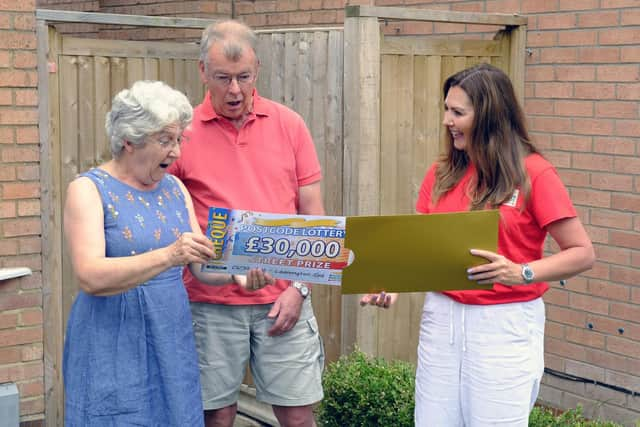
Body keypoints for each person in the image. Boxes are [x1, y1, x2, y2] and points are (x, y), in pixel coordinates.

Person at [361, 63, 595, 426]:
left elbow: (582, 252)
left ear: (488, 117)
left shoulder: (534, 174)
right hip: (441, 318)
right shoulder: (441, 174)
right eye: (446, 109)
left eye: (458, 112)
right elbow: (419, 248)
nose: (446, 121)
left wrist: (521, 271)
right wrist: (393, 283)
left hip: (504, 324)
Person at [62, 80, 273, 426]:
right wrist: (168, 255)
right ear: (130, 140)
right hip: (111, 338)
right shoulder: (88, 190)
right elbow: (90, 277)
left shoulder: (174, 188)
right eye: (164, 141)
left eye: (178, 140)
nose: (176, 152)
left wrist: (237, 276)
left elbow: (202, 266)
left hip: (170, 334)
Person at [168, 20, 325, 427]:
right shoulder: (181, 135)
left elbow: (315, 219)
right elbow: (169, 218)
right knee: (215, 417)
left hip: (283, 298)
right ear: (202, 71)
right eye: (223, 78)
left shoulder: (290, 125)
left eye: (244, 77)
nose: (235, 90)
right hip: (209, 305)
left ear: (257, 69)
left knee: (298, 418)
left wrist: (299, 289)